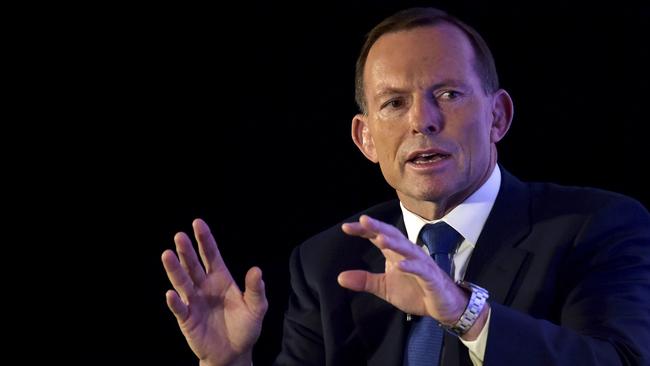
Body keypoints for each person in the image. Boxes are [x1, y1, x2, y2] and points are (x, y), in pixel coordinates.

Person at [161, 7, 650, 366]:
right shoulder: (329, 262)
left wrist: (464, 312)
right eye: (394, 103)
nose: (423, 121)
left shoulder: (594, 227)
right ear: (365, 137)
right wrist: (229, 364)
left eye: (448, 94)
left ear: (497, 115)